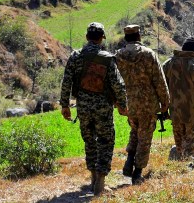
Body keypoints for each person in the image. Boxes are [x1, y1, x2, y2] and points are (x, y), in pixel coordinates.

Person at [60, 22, 127, 196]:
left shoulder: (75, 56)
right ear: (101, 39)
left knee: (89, 141)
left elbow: (66, 82)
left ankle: (92, 178)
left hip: (82, 107)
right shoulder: (107, 58)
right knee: (106, 140)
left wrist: (65, 105)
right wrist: (122, 105)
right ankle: (101, 181)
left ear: (87, 37)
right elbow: (118, 85)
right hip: (103, 107)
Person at [115, 24, 169, 184]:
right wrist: (165, 102)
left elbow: (114, 81)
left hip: (129, 103)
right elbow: (159, 81)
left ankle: (130, 159)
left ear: (126, 38)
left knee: (135, 131)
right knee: (144, 137)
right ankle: (137, 172)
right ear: (139, 36)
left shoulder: (118, 56)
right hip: (148, 104)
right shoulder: (148, 55)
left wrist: (118, 102)